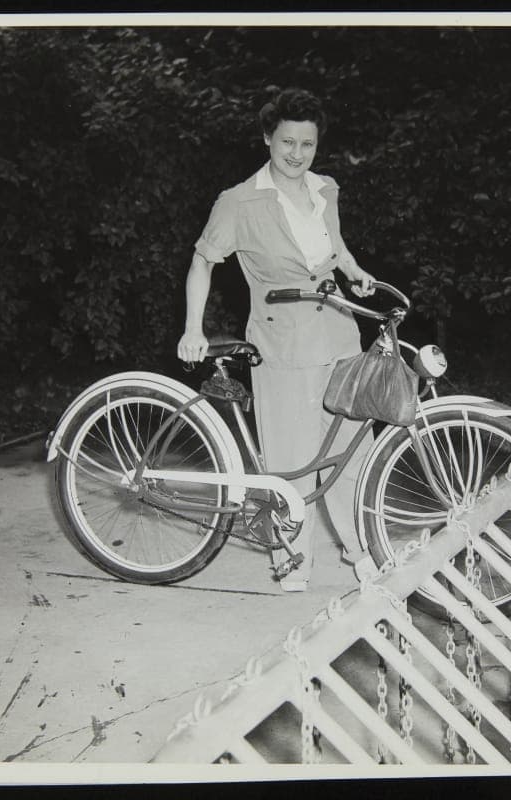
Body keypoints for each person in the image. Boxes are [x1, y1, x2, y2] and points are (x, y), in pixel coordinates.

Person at [177, 88, 380, 593]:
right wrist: (192, 328)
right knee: (293, 462)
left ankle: (365, 553)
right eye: (287, 141)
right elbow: (203, 262)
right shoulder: (239, 202)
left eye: (307, 144)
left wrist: (354, 272)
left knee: (354, 455)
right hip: (282, 343)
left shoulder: (325, 189)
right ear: (268, 138)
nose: (296, 153)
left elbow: (334, 246)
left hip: (339, 336)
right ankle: (294, 563)